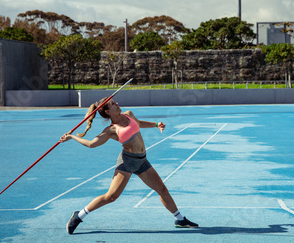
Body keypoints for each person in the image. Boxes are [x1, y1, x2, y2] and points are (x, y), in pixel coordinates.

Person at [61, 98, 198, 234]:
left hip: (142, 160)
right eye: (113, 104)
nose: (117, 104)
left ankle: (180, 219)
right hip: (127, 162)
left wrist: (156, 124)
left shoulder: (129, 114)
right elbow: (91, 144)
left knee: (162, 189)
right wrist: (72, 137)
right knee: (111, 197)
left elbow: (139, 123)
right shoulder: (111, 130)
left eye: (115, 102)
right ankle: (79, 216)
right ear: (108, 111)